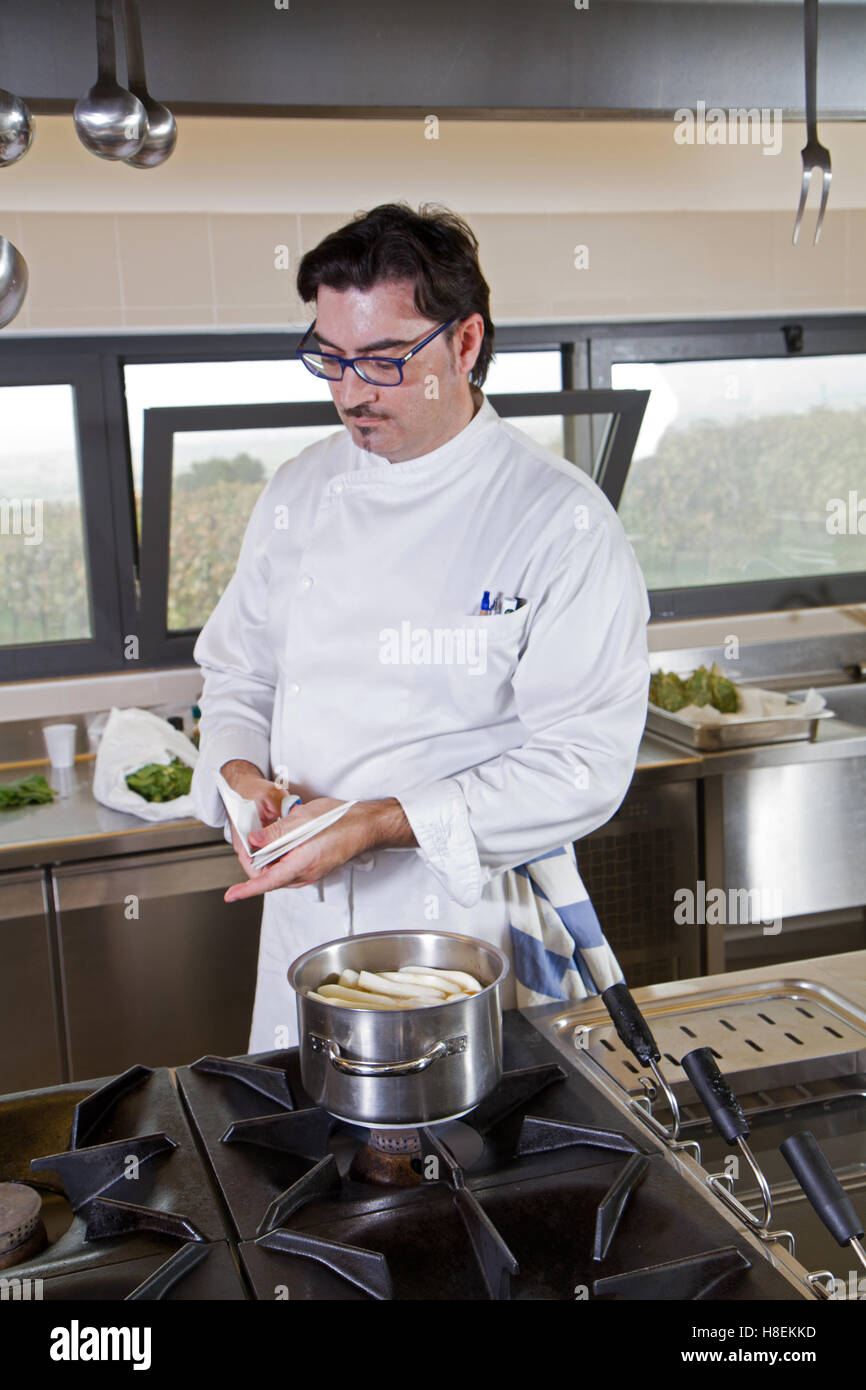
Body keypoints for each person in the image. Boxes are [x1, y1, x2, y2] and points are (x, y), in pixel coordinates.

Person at [191, 202, 650, 1052]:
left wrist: (381, 820)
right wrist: (240, 777)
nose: (350, 392)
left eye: (381, 359)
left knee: (483, 1171)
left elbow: (583, 763)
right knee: (305, 1157)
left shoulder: (557, 520)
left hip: (466, 928)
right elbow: (240, 675)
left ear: (465, 343)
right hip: (307, 925)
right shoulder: (298, 490)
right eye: (328, 358)